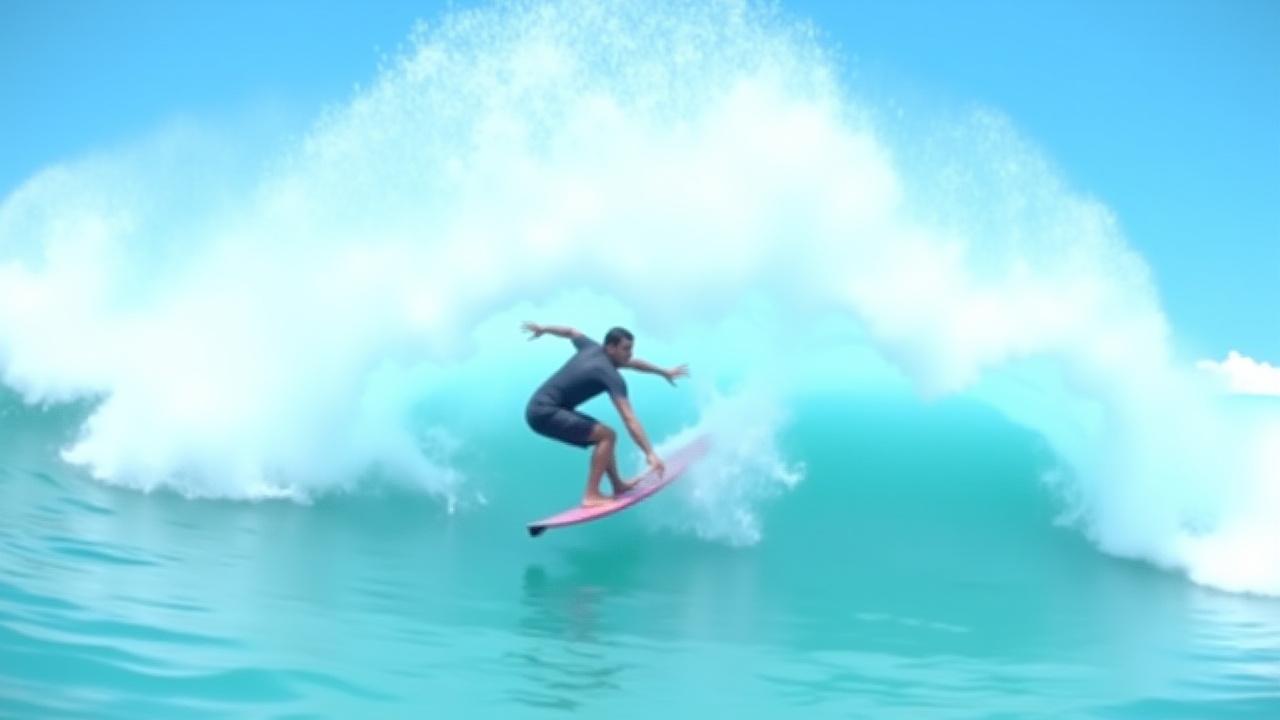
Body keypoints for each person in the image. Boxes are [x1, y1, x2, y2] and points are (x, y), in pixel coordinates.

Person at [523, 322, 689, 507]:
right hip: (545, 412)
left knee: (605, 435)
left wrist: (544, 329)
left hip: (540, 407)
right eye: (626, 349)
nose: (630, 354)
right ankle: (590, 495)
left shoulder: (591, 347)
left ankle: (618, 485)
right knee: (606, 436)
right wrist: (649, 453)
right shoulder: (609, 375)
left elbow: (571, 331)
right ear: (610, 348)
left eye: (631, 348)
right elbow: (629, 418)